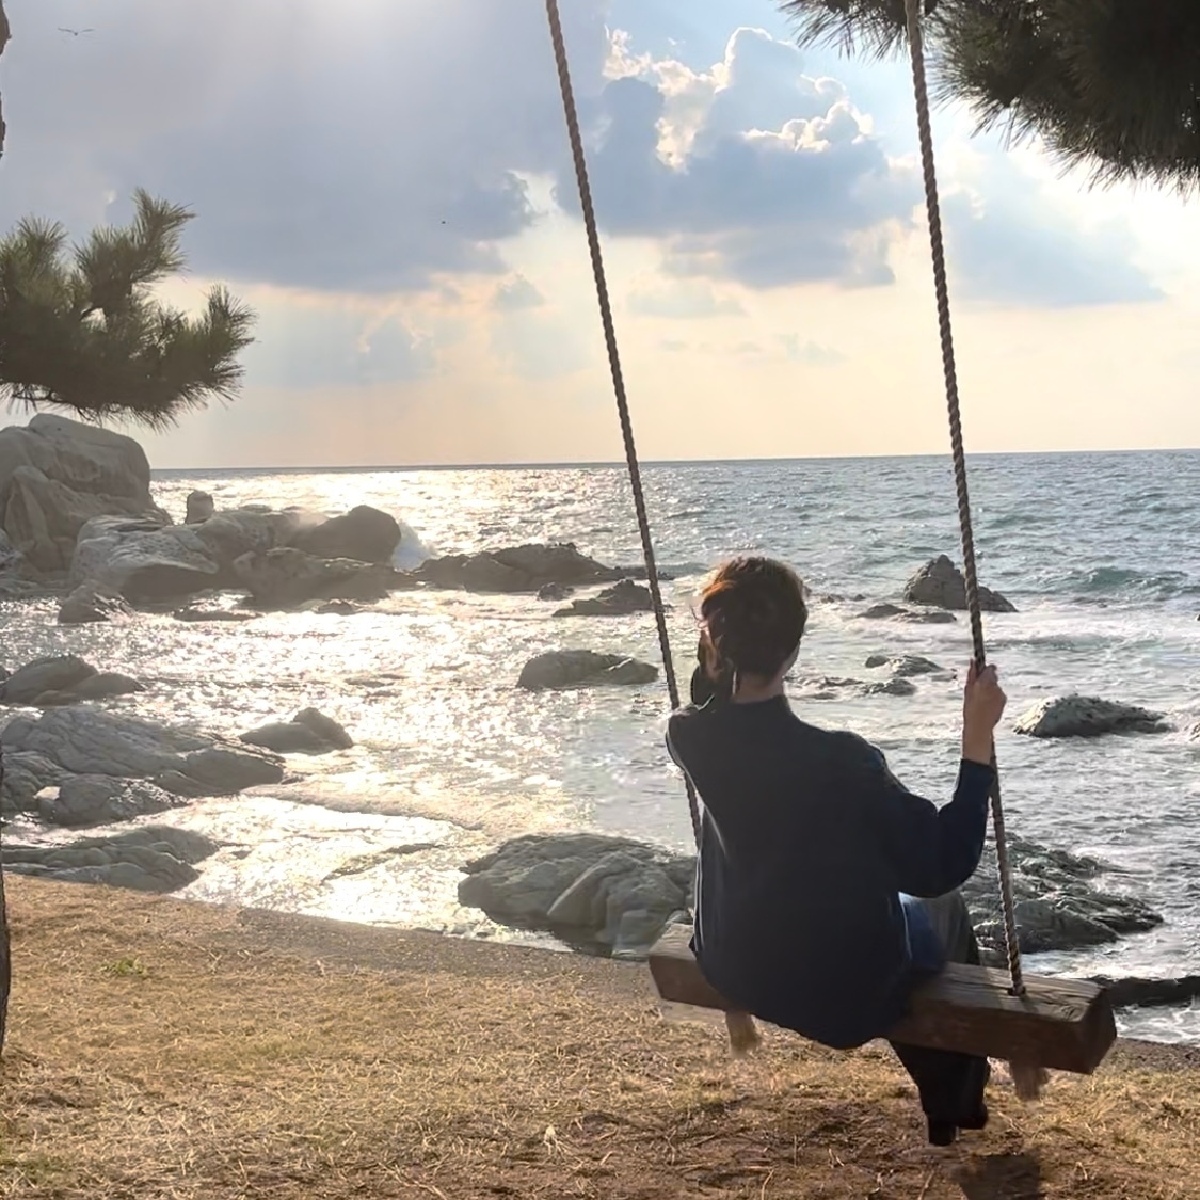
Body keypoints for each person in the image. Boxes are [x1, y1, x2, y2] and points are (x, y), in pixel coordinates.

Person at [666, 556, 1007, 1147]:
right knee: (944, 906)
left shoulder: (689, 735)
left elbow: (705, 700)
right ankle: (954, 1100)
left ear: (713, 646)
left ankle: (951, 1101)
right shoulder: (845, 763)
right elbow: (943, 862)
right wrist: (976, 737)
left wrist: (716, 655)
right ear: (794, 653)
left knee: (886, 918)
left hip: (735, 959)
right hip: (845, 996)